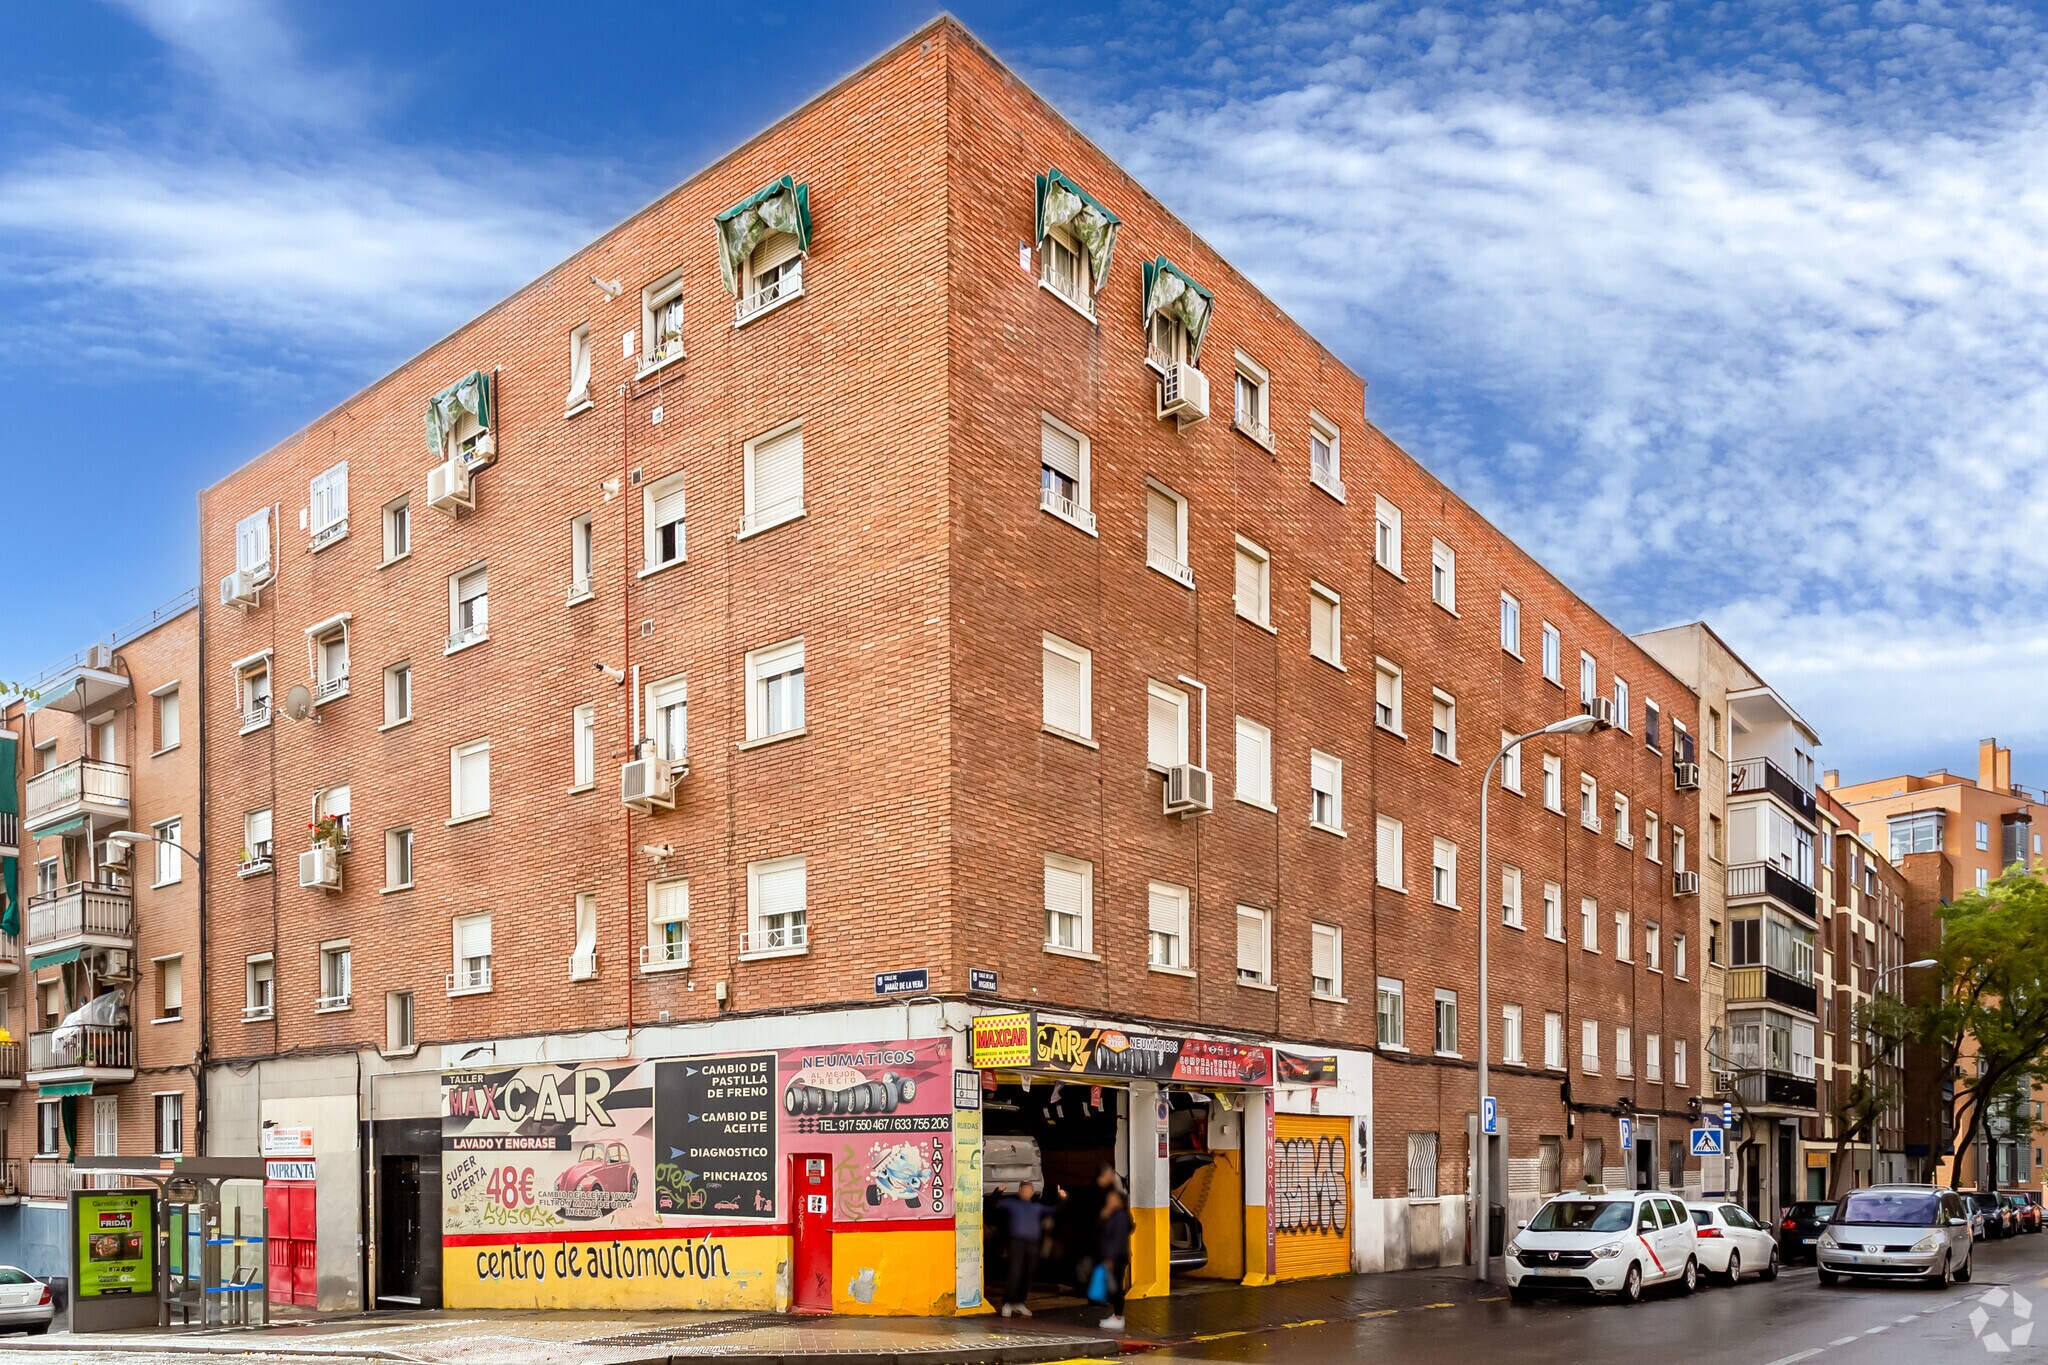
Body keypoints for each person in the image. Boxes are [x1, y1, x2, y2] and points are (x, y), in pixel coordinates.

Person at [990, 1182, 1051, 1317]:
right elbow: (994, 1204)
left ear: (1032, 1192)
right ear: (1019, 1191)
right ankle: (1008, 1303)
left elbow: (1054, 1210)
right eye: (1024, 1190)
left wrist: (1062, 1198)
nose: (1026, 1193)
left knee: (1027, 1273)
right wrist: (998, 1192)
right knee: (1015, 1271)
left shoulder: (1036, 1206)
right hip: (1017, 1242)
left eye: (1029, 1190)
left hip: (1032, 1244)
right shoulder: (1012, 1203)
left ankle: (1019, 1302)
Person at [1095, 1187, 1133, 1332]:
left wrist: (1110, 1258)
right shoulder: (1113, 1215)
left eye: (1113, 1199)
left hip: (1117, 1257)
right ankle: (1116, 1316)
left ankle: (1118, 1317)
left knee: (1116, 1286)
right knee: (1113, 1286)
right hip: (1115, 1256)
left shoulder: (1120, 1217)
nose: (1109, 1202)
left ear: (1120, 1202)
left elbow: (1116, 1240)